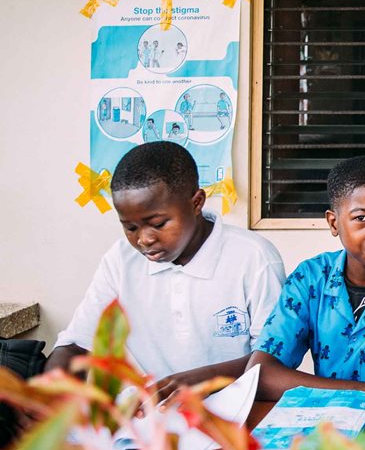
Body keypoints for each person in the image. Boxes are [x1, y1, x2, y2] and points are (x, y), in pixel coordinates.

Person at [46, 142, 285, 393]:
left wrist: (199, 381)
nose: (144, 239)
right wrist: (48, 390)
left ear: (196, 203)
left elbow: (272, 360)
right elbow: (77, 344)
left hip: (238, 410)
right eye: (130, 227)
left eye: (158, 224)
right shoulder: (120, 260)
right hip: (149, 413)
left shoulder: (254, 257)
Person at [246, 156, 365, 404]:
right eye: (362, 218)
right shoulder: (312, 279)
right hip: (332, 430)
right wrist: (363, 392)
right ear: (334, 222)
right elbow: (261, 375)